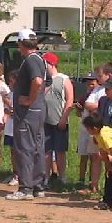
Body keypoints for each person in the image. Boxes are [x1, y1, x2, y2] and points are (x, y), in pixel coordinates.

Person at [5, 28, 49, 200]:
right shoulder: (40, 59)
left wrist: (30, 100)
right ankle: (38, 186)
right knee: (37, 146)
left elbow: (37, 82)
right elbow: (47, 82)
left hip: (28, 112)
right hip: (38, 111)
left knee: (24, 147)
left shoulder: (31, 60)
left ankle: (26, 188)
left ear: (20, 43)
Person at [42, 52, 74, 189]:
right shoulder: (43, 80)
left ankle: (62, 176)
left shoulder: (63, 79)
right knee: (46, 150)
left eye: (46, 64)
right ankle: (46, 177)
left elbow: (70, 99)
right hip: (45, 120)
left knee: (60, 150)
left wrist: (64, 118)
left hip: (59, 119)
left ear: (52, 64)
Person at [75, 73, 104, 193]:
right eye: (88, 83)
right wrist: (79, 110)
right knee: (83, 155)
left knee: (94, 156)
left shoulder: (99, 94)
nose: (90, 85)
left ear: (97, 83)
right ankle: (81, 180)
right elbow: (79, 109)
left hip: (95, 129)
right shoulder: (85, 96)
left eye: (92, 83)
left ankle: (92, 182)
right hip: (84, 129)